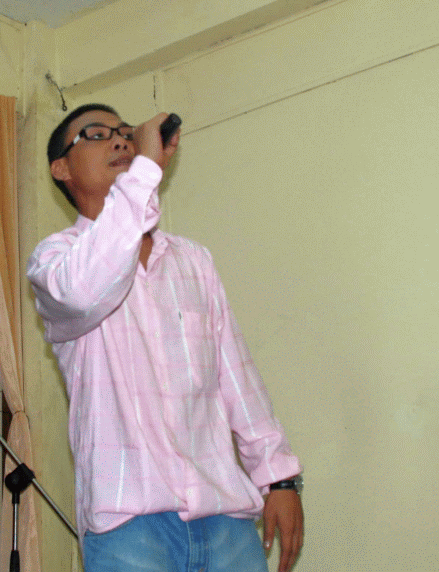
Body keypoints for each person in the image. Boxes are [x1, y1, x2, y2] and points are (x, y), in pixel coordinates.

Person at [26, 104, 304, 572]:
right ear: (61, 169)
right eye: (96, 134)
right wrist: (144, 171)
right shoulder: (55, 261)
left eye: (124, 132)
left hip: (226, 519)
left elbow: (237, 377)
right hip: (128, 528)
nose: (119, 140)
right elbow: (85, 290)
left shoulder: (193, 261)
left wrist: (279, 480)